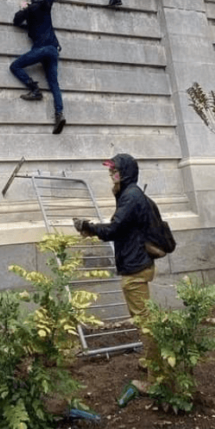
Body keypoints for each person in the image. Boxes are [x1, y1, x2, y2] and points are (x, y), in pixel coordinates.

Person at [73, 153, 157, 390]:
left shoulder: (130, 197)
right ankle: (152, 361)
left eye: (114, 171)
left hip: (136, 267)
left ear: (125, 172)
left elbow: (114, 228)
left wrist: (88, 227)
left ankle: (157, 377)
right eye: (110, 171)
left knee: (145, 321)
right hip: (136, 263)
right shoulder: (129, 195)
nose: (111, 175)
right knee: (143, 319)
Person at [10, 0, 66, 135]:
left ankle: (34, 88)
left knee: (15, 66)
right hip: (53, 51)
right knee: (54, 84)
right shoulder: (45, 6)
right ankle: (59, 114)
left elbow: (16, 21)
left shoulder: (30, 9)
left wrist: (23, 8)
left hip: (40, 50)